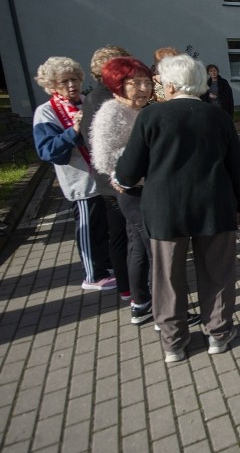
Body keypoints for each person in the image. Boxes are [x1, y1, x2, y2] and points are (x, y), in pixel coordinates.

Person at [115, 55, 240, 363]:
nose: (158, 87)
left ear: (172, 85)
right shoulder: (217, 117)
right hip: (215, 206)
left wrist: (122, 179)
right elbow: (237, 167)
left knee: (168, 277)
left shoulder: (151, 116)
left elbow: (127, 172)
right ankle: (218, 333)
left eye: (160, 82)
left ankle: (174, 343)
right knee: (217, 274)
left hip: (165, 209)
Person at [33, 57, 116, 291]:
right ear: (51, 85)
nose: (72, 85)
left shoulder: (84, 103)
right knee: (88, 228)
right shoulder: (46, 112)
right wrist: (74, 130)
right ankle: (92, 276)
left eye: (75, 79)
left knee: (103, 227)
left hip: (101, 178)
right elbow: (47, 150)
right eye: (64, 81)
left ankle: (106, 266)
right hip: (81, 182)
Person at [89, 57, 156, 324]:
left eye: (147, 82)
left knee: (138, 247)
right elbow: (104, 158)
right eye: (135, 82)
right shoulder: (111, 112)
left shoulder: (139, 111)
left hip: (142, 188)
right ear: (118, 84)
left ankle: (141, 303)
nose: (143, 88)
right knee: (155, 248)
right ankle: (168, 311)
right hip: (132, 192)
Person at [80, 45, 132, 300]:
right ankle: (133, 289)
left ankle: (127, 286)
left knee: (119, 235)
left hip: (107, 180)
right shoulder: (107, 100)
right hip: (118, 181)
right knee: (127, 237)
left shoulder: (95, 97)